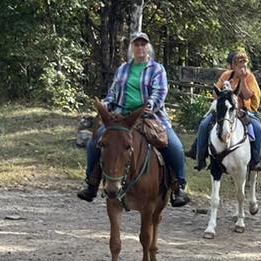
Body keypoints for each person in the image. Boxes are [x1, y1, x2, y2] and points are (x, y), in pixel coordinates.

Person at [78, 31, 189, 206]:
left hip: (150, 116)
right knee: (95, 142)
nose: (140, 48)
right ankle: (92, 183)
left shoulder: (157, 69)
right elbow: (113, 93)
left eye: (143, 44)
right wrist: (105, 105)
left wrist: (149, 106)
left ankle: (178, 187)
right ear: (131, 48)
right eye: (136, 44)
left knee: (175, 146)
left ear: (148, 48)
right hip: (121, 117)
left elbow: (160, 93)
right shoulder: (123, 69)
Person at [193, 50, 261, 170]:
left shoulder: (249, 77)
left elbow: (248, 96)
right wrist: (222, 92)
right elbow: (215, 93)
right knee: (204, 124)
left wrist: (243, 79)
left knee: (257, 128)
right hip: (225, 110)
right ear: (234, 66)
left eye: (244, 66)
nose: (243, 69)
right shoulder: (226, 75)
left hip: (243, 110)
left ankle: (257, 160)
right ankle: (200, 157)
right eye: (239, 66)